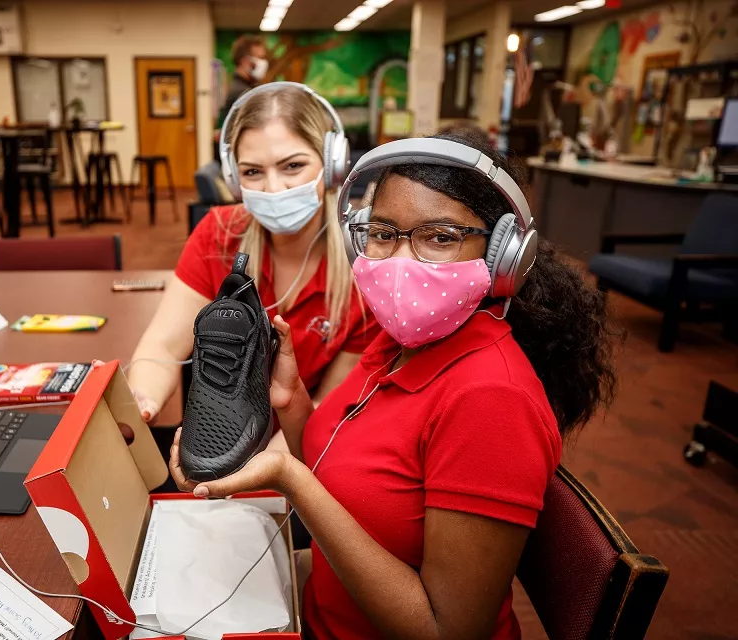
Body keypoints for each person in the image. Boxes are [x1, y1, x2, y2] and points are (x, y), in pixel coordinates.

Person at [168, 129, 619, 638]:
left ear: (504, 256)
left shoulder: (492, 400)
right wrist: (291, 401)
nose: (401, 261)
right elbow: (346, 462)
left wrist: (290, 480)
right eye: (383, 233)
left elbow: (446, 630)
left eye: (440, 237)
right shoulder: (398, 343)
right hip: (311, 611)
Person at [128, 83, 378, 446]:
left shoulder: (366, 260)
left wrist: (267, 472)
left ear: (333, 164)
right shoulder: (218, 234)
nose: (274, 188)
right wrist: (144, 400)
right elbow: (163, 349)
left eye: (293, 166)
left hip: (311, 447)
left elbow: (329, 407)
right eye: (252, 172)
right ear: (233, 178)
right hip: (216, 439)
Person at [218, 35, 268, 127]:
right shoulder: (243, 93)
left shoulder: (239, 86)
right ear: (245, 61)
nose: (264, 63)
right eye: (260, 58)